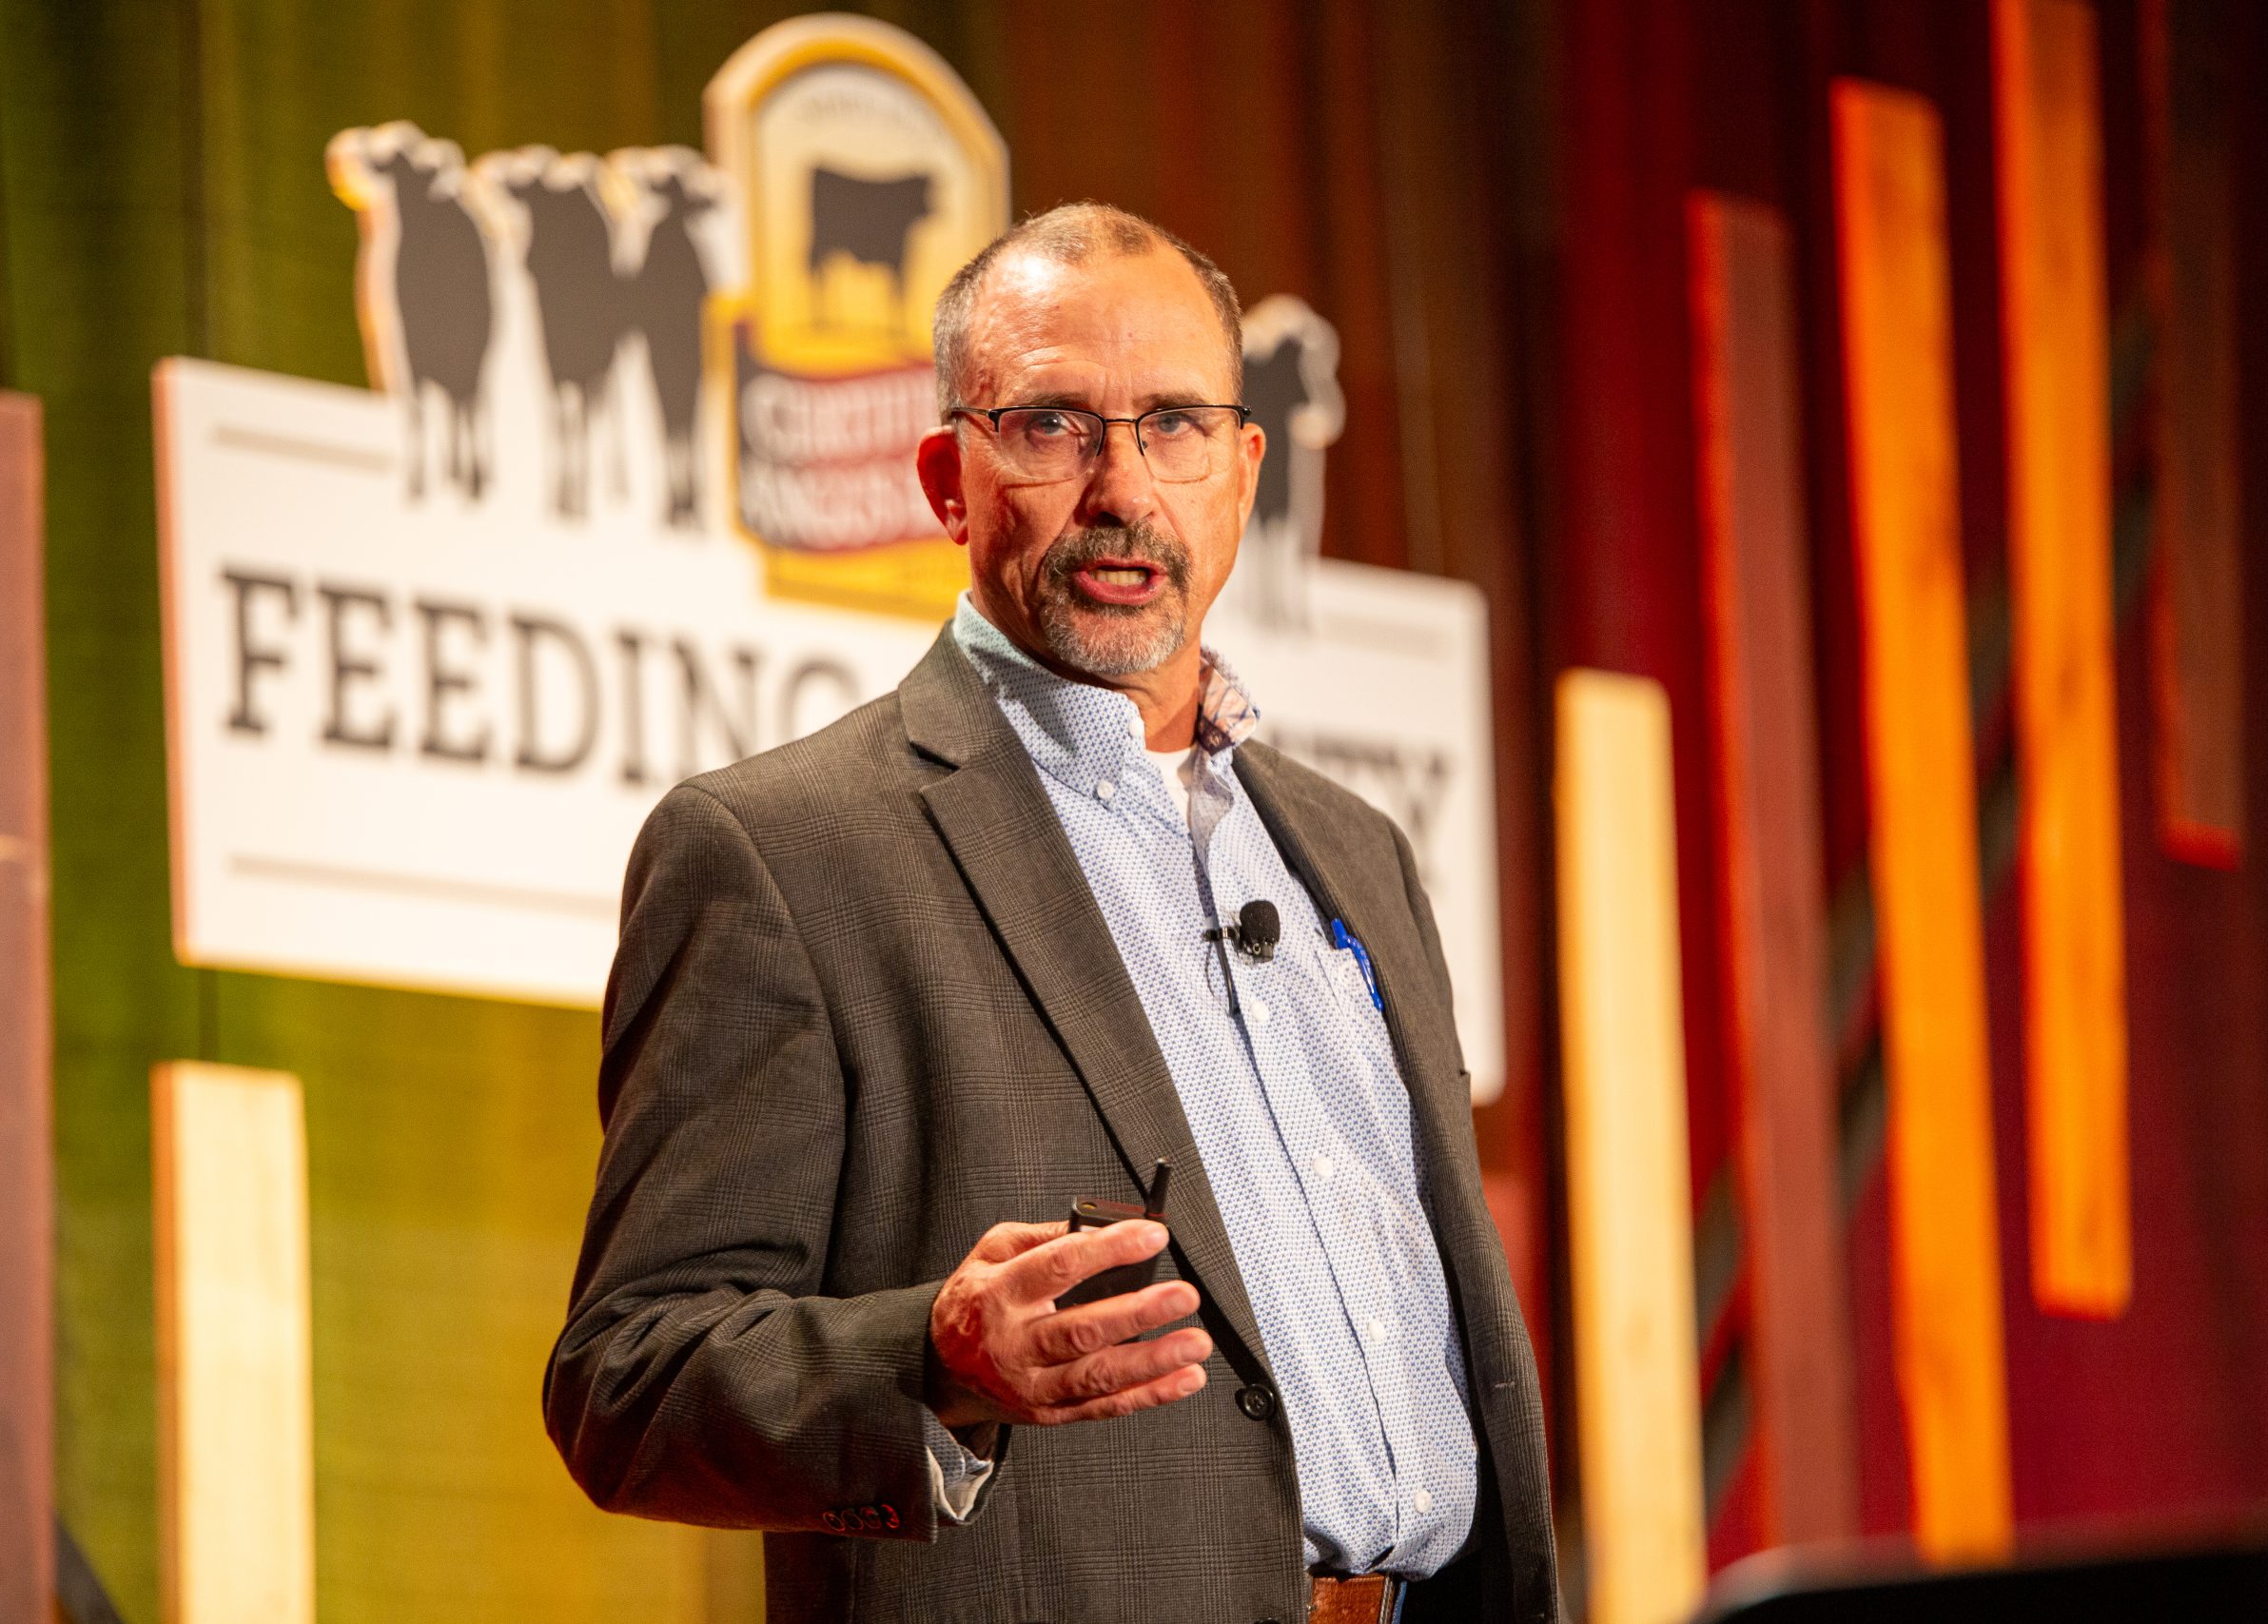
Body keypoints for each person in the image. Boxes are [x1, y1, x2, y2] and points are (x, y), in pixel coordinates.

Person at [546, 203, 1560, 1624]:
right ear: (946, 478)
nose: (1122, 488)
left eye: (1174, 426)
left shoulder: (1355, 852)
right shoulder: (784, 854)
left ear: (1244, 468)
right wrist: (934, 1362)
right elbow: (630, 1381)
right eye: (1050, 427)